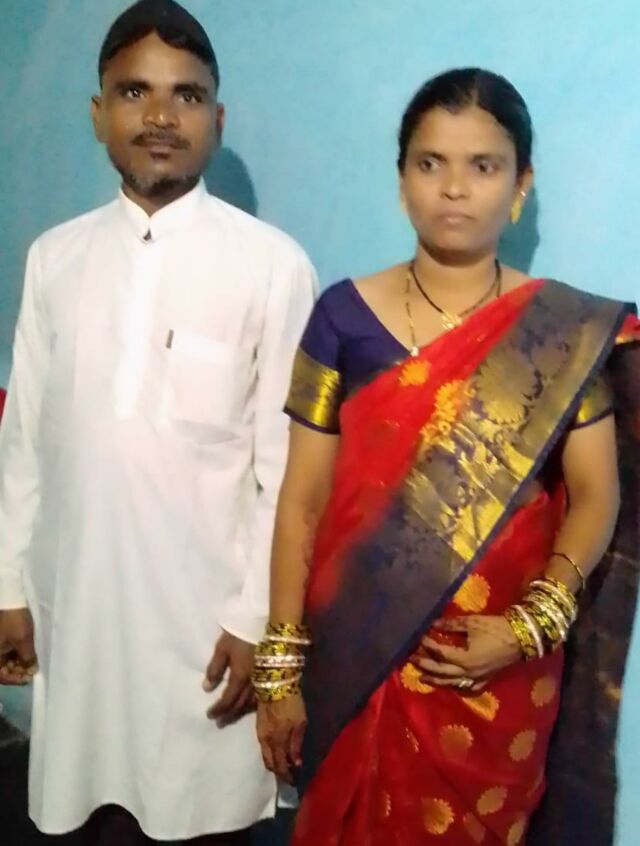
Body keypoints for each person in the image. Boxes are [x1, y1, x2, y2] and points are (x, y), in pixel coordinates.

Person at [254, 67, 640, 845]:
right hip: (357, 660)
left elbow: (598, 495)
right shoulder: (343, 318)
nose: (455, 188)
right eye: (431, 163)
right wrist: (280, 669)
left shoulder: (560, 334)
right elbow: (302, 501)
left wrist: (529, 626)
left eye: (483, 166)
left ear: (520, 186)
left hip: (501, 679)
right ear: (402, 182)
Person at [0, 1, 316, 843]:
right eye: (135, 91)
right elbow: (24, 441)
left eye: (187, 95)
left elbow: (285, 469)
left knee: (198, 819)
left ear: (218, 118)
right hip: (76, 610)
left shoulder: (272, 266)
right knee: (81, 811)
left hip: (204, 632)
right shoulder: (55, 258)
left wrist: (257, 621)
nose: (161, 116)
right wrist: (6, 588)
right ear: (97, 112)